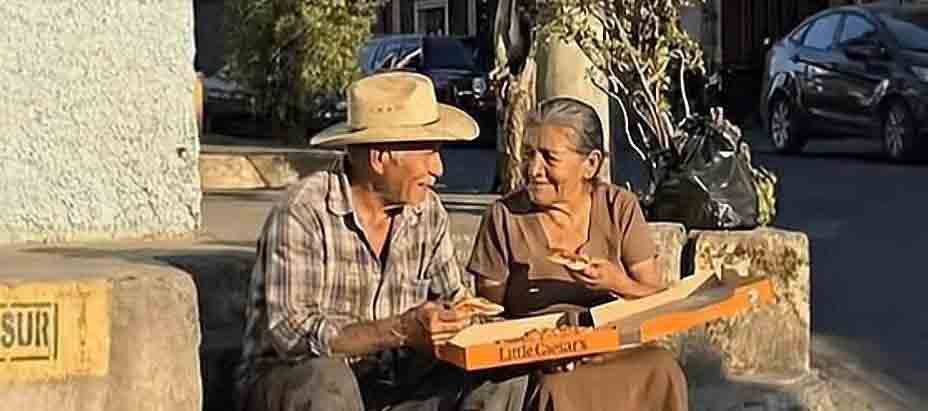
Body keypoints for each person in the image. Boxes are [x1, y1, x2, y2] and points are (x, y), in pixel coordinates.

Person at [237, 71, 481, 411]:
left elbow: (455, 300)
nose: (438, 168)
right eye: (428, 153)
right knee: (327, 380)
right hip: (296, 382)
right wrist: (401, 330)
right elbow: (292, 334)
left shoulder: (428, 212)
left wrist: (459, 323)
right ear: (380, 158)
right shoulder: (304, 211)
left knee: (494, 380)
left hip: (393, 381)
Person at [465, 97, 689, 411]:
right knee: (558, 389)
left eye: (549, 157)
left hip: (611, 346)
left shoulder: (618, 207)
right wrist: (543, 347)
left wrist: (617, 282)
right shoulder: (504, 217)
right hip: (538, 360)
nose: (533, 169)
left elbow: (657, 300)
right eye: (528, 154)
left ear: (591, 164)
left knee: (662, 368)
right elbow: (489, 317)